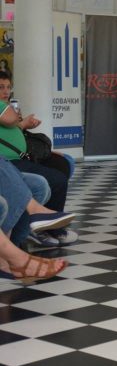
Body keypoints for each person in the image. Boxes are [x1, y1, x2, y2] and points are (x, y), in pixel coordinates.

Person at [0, 79, 76, 247]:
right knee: (50, 181)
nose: (6, 91)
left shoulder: (6, 108)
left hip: (20, 156)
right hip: (9, 161)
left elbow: (13, 130)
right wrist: (20, 120)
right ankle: (40, 229)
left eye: (8, 87)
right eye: (1, 87)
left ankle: (37, 227)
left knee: (64, 163)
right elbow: (10, 119)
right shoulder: (5, 109)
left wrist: (22, 125)